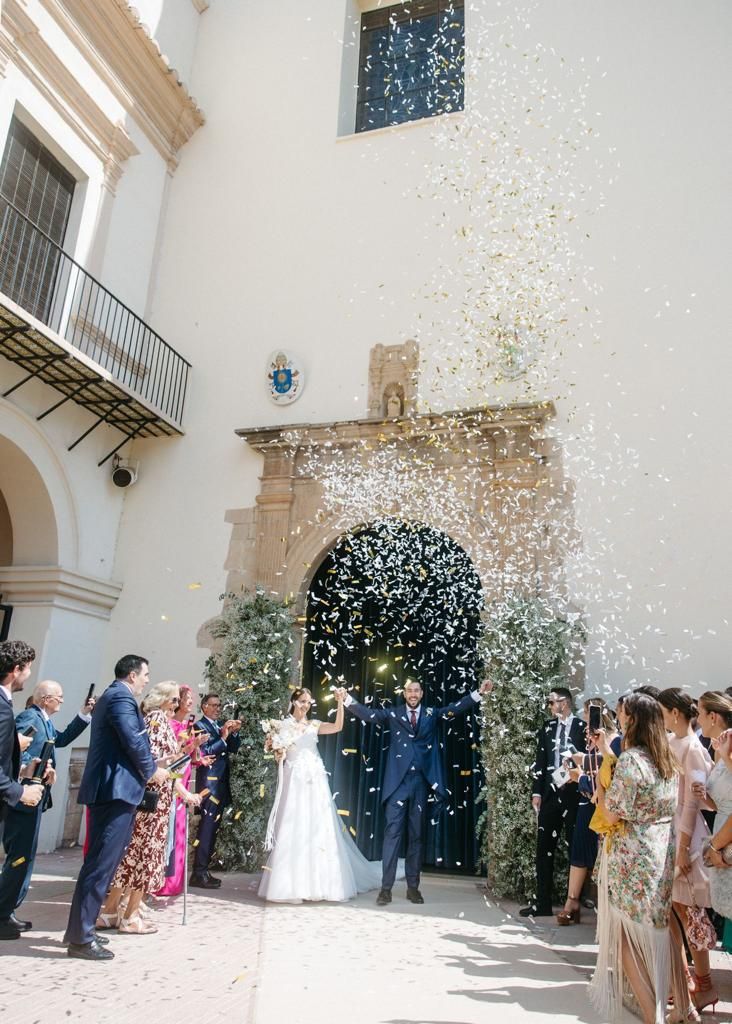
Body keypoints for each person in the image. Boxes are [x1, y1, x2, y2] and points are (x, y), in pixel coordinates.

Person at [336, 677, 491, 906]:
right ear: (404, 693)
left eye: (416, 690)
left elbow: (455, 710)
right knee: (392, 836)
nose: (413, 694)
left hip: (421, 783)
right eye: (409, 690)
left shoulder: (431, 714)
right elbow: (369, 714)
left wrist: (479, 693)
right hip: (397, 783)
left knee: (417, 837)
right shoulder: (393, 714)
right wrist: (347, 699)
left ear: (421, 693)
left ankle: (413, 888)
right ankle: (386, 889)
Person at [590, 692, 691, 1024]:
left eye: (622, 714)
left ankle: (653, 1016)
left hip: (632, 856)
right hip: (659, 853)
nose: (619, 719)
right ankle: (663, 1008)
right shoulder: (666, 762)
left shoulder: (632, 760)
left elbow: (611, 810)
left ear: (632, 719)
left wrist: (599, 785)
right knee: (655, 935)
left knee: (625, 941)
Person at [63, 655, 169, 961]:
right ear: (133, 674)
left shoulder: (114, 695)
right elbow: (133, 742)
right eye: (145, 674)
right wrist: (151, 770)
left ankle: (80, 931)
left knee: (101, 866)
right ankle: (81, 938)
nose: (147, 680)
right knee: (99, 867)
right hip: (114, 791)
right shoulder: (121, 697)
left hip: (116, 790)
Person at [259, 687, 385, 902]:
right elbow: (274, 750)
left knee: (318, 827)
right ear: (293, 701)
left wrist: (339, 703)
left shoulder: (314, 725)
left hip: (314, 780)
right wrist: (276, 750)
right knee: (293, 826)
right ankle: (289, 886)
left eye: (308, 702)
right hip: (293, 779)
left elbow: (337, 726)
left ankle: (321, 884)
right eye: (302, 701)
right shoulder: (281, 725)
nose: (305, 705)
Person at [98, 681, 201, 933]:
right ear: (164, 699)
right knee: (144, 857)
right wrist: (174, 763)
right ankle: (131, 916)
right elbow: (152, 761)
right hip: (152, 802)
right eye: (174, 699)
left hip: (158, 796)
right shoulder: (156, 720)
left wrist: (181, 783)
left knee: (132, 856)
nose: (177, 705)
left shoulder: (158, 720)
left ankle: (111, 911)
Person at [0, 680, 95, 933]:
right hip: (23, 798)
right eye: (58, 696)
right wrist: (34, 770)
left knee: (25, 857)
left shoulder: (45, 720)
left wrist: (83, 715)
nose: (62, 700)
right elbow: (16, 751)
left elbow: (60, 740)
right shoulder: (29, 718)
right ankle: (3, 912)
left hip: (35, 796)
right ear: (45, 699)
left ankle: (8, 910)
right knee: (19, 858)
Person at [658, 687, 717, 1013]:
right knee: (674, 912)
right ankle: (681, 980)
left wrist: (682, 848)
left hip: (687, 838)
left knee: (690, 912)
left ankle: (704, 982)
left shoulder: (692, 747)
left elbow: (692, 802)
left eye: (663, 712)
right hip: (670, 832)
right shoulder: (672, 742)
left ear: (675, 713)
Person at [522, 687, 587, 917]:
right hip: (549, 795)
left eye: (552, 702)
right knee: (543, 848)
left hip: (573, 795)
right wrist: (536, 792)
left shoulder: (582, 728)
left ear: (565, 702)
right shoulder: (548, 728)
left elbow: (587, 761)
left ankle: (575, 902)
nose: (550, 707)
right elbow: (540, 761)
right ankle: (543, 902)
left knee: (574, 848)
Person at [557, 698, 620, 925]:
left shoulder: (614, 741)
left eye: (588, 712)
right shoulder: (593, 739)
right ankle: (571, 901)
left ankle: (602, 908)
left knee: (602, 855)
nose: (585, 718)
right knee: (579, 849)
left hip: (603, 805)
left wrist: (580, 776)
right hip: (587, 802)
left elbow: (606, 773)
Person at [0, 641, 44, 940]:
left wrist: (24, 769)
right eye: (27, 669)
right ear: (16, 670)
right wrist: (19, 792)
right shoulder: (3, 709)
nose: (28, 675)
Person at [693, 689, 732, 1009]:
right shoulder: (720, 747)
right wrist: (702, 796)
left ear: (713, 717)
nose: (697, 719)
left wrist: (717, 848)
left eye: (700, 713)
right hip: (722, 840)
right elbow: (722, 798)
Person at [155, 684, 211, 897]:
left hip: (184, 780)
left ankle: (174, 882)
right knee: (168, 832)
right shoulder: (169, 725)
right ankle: (162, 882)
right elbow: (172, 757)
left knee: (179, 830)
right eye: (187, 698)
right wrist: (190, 745)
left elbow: (189, 759)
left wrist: (199, 757)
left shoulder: (187, 726)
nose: (190, 702)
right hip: (172, 781)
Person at [190, 693, 242, 888]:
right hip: (208, 786)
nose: (217, 708)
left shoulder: (217, 725)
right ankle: (198, 873)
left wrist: (234, 732)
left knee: (213, 830)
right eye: (213, 705)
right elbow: (205, 752)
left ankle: (203, 871)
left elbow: (233, 748)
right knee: (206, 829)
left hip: (220, 785)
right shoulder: (199, 726)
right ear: (204, 707)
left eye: (219, 705)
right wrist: (223, 735)